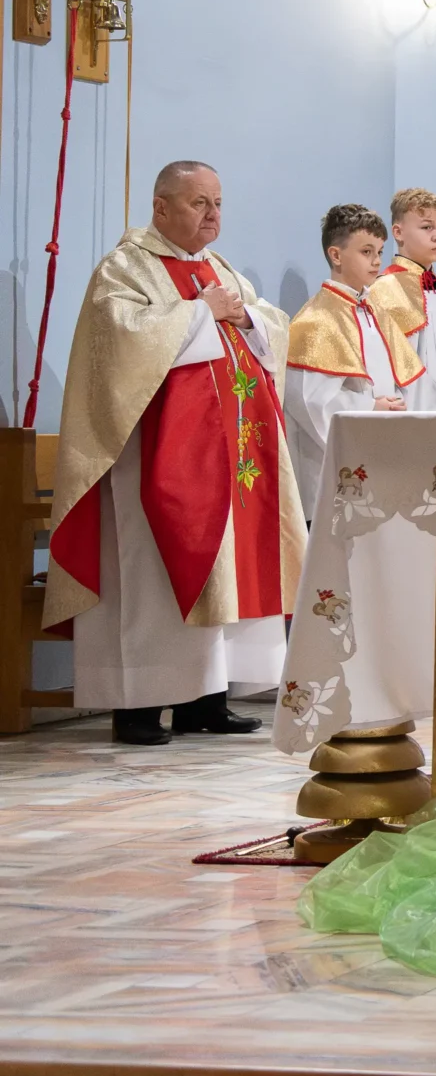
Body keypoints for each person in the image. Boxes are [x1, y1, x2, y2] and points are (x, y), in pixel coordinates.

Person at [42, 161, 304, 745]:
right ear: (161, 206)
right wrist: (200, 312)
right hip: (150, 455)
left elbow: (267, 323)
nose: (212, 215)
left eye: (217, 203)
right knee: (149, 577)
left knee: (224, 572)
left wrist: (243, 314)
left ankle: (205, 701)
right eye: (198, 203)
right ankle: (137, 706)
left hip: (226, 457)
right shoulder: (126, 266)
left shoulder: (216, 266)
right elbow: (120, 341)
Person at [284, 204, 418, 521]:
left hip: (379, 449)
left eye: (380, 251)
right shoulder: (316, 320)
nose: (376, 261)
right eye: (366, 251)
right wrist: (370, 407)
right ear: (336, 255)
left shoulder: (374, 311)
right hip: (332, 468)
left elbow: (399, 376)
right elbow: (307, 401)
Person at [364, 187, 436, 413]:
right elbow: (384, 364)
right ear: (398, 232)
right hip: (411, 414)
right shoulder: (384, 289)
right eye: (426, 227)